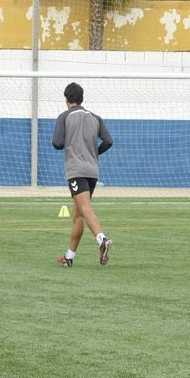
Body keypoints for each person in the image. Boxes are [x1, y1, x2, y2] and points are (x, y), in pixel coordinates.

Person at [51, 82, 114, 266]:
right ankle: (69, 257)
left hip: (76, 170)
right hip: (92, 170)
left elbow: (56, 143)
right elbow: (108, 141)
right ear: (81, 99)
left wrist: (70, 145)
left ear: (66, 99)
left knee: (84, 208)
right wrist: (93, 152)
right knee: (78, 214)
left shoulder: (64, 116)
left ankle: (102, 239)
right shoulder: (96, 117)